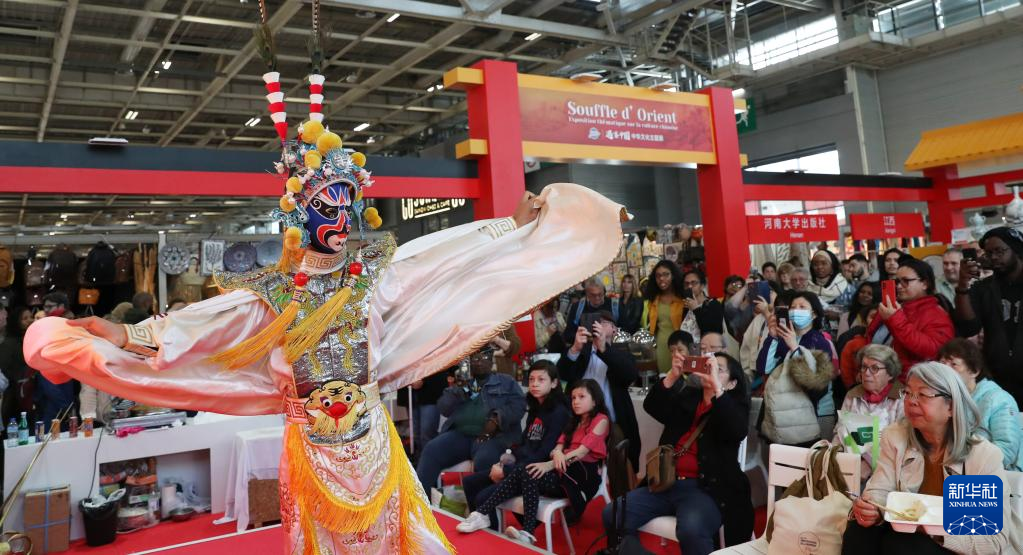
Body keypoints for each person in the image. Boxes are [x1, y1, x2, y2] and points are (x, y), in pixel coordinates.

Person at [24, 59, 628, 552]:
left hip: (372, 435)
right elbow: (204, 325)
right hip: (310, 441)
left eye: (346, 202)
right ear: (299, 213)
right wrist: (127, 334)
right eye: (325, 204)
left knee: (393, 534)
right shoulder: (275, 293)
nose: (339, 215)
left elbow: (439, 258)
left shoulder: (372, 275)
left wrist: (506, 230)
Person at [843, 362, 1012, 554]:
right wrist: (872, 508)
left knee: (905, 545)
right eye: (908, 393)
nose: (911, 401)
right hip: (905, 536)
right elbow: (880, 489)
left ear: (951, 406)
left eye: (923, 394)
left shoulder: (979, 456)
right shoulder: (897, 437)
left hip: (950, 544)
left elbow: (992, 539)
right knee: (860, 529)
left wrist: (933, 531)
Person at [605, 353, 753, 554]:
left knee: (691, 529)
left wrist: (717, 389)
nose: (711, 370)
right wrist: (672, 375)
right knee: (612, 514)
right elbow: (653, 407)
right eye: (709, 365)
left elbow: (737, 430)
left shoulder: (734, 406)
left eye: (719, 369)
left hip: (705, 489)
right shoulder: (690, 397)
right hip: (665, 481)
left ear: (732, 383)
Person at [458, 379, 609, 546]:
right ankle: (524, 532)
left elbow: (581, 452)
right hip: (561, 470)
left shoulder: (601, 420)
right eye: (573, 397)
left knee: (526, 470)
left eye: (581, 397)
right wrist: (558, 453)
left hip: (580, 477)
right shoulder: (574, 421)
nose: (576, 401)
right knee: (527, 471)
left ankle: (483, 514)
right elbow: (558, 446)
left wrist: (548, 464)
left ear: (595, 400)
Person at [461, 361, 570, 528]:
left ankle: (492, 535)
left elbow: (543, 453)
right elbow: (523, 442)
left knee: (482, 497)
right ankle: (489, 530)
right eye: (531, 379)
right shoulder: (536, 408)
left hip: (535, 473)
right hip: (519, 466)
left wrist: (506, 471)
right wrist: (503, 462)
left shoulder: (558, 412)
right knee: (470, 482)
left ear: (554, 383)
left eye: (541, 379)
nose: (534, 384)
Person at [416, 347, 527, 491]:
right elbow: (444, 408)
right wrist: (458, 390)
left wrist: (497, 418)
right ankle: (419, 499)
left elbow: (519, 406)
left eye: (484, 358)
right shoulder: (464, 384)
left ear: (491, 360)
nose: (479, 362)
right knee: (431, 449)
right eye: (475, 358)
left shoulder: (506, 382)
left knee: (485, 459)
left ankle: (482, 504)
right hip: (460, 435)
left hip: (492, 437)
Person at [558, 311, 640, 469]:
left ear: (614, 329)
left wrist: (603, 348)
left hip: (613, 423)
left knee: (616, 469)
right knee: (579, 467)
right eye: (593, 321)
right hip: (579, 424)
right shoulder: (581, 351)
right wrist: (575, 348)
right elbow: (563, 374)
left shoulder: (622, 354)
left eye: (603, 322)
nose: (597, 325)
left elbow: (630, 374)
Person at [756, 291, 836, 445]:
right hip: (783, 412)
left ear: (813, 314)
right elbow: (763, 368)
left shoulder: (820, 342)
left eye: (802, 307)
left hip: (812, 413)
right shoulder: (782, 338)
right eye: (792, 307)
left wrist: (794, 348)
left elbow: (816, 386)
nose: (795, 310)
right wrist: (772, 337)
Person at [955, 227, 1023, 404]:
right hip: (997, 377)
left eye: (999, 251)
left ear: (1016, 250)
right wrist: (963, 285)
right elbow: (969, 327)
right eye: (989, 253)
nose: (993, 257)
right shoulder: (984, 288)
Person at [938, 338, 1023, 471]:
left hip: (993, 475)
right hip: (949, 470)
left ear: (974, 371)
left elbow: (1006, 450)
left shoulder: (999, 399)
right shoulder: (940, 398)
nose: (945, 370)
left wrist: (963, 468)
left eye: (953, 364)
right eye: (942, 363)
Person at [867, 257, 954, 381]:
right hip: (882, 376)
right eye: (897, 281)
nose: (899, 286)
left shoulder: (936, 314)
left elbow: (933, 350)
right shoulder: (896, 307)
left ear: (925, 284)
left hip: (913, 381)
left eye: (906, 281)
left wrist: (895, 319)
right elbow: (871, 337)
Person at [833, 345, 904, 476]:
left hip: (887, 472)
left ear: (890, 373)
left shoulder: (902, 398)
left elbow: (901, 443)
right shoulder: (852, 395)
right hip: (849, 467)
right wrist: (835, 457)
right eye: (864, 367)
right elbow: (840, 432)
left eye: (874, 368)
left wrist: (869, 464)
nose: (866, 373)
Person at [642, 260, 687, 374]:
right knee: (665, 377)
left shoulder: (683, 298)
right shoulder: (653, 300)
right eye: (658, 276)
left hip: (681, 344)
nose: (661, 278)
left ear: (673, 275)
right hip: (661, 344)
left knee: (682, 376)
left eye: (666, 274)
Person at [399, 370, 449, 464]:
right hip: (409, 389)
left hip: (431, 388)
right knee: (415, 433)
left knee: (427, 432)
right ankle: (420, 461)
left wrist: (423, 379)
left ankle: (429, 462)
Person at [682, 270, 724, 336]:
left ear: (702, 285)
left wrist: (696, 309)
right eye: (686, 284)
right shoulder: (686, 306)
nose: (689, 286)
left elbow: (712, 330)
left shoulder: (713, 304)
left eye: (694, 283)